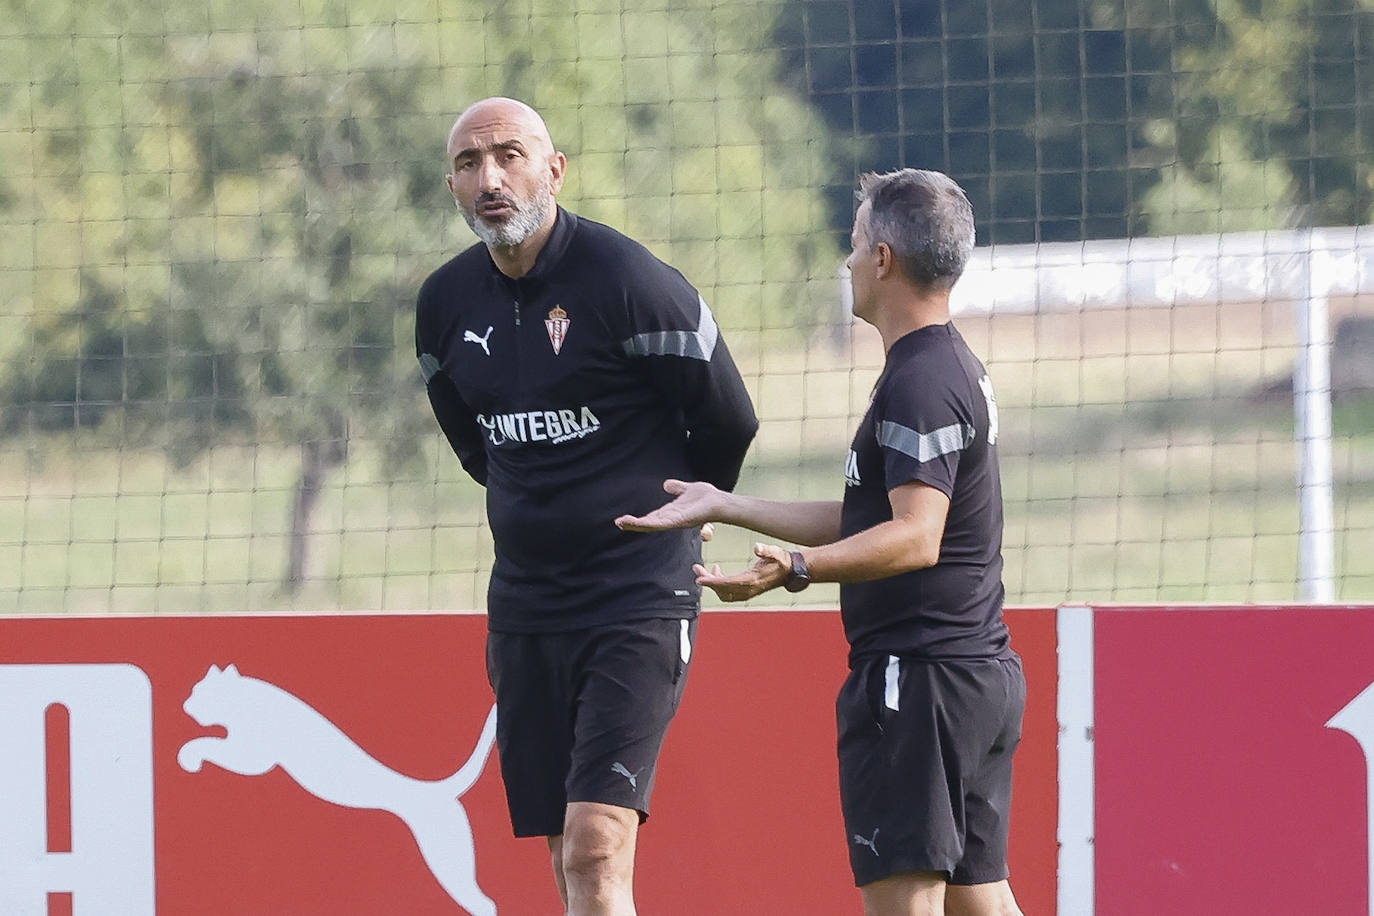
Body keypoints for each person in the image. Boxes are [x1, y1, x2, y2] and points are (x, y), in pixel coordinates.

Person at [616, 168, 1025, 916]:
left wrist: (796, 570)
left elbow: (915, 538)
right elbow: (876, 519)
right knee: (983, 906)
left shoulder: (922, 380)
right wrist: (728, 504)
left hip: (922, 678)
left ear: (883, 259)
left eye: (855, 239)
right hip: (970, 675)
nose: (846, 260)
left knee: (907, 904)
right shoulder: (943, 363)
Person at [415, 97, 758, 915]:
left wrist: (686, 509)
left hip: (635, 593)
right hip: (527, 603)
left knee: (600, 837)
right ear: (452, 185)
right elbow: (475, 446)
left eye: (509, 155)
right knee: (567, 848)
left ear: (554, 169)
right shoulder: (443, 304)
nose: (490, 178)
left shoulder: (631, 282)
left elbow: (728, 418)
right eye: (469, 163)